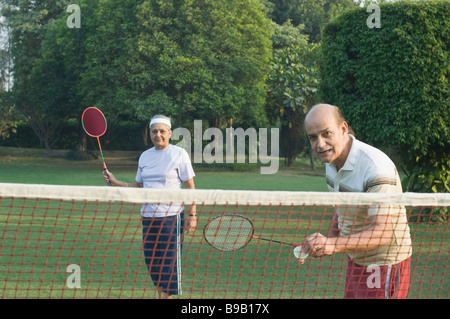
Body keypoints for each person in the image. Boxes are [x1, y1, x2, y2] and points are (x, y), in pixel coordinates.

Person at [302, 103, 412, 299]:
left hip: (384, 262)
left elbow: (382, 233)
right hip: (357, 258)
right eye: (313, 137)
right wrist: (328, 240)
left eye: (326, 133)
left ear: (343, 129)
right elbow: (342, 204)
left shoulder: (375, 168)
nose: (320, 144)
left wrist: (333, 244)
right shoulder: (331, 161)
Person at [104, 114, 197, 299]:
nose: (158, 135)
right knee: (152, 262)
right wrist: (116, 182)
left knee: (169, 264)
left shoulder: (179, 154)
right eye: (155, 131)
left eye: (162, 131)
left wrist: (192, 215)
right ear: (150, 133)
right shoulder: (145, 156)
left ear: (170, 133)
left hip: (172, 217)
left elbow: (190, 186)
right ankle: (162, 294)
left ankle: (164, 296)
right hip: (148, 217)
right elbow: (139, 186)